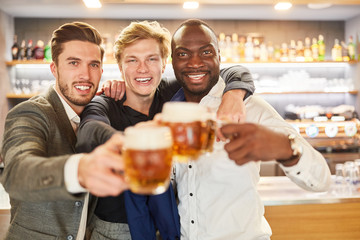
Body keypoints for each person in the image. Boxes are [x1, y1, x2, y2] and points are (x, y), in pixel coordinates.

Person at [76, 20, 255, 239]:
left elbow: (232, 71)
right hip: (117, 230)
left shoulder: (172, 95)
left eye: (151, 59)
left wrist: (234, 93)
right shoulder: (104, 103)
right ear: (120, 66)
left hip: (171, 224)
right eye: (132, 60)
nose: (143, 69)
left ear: (164, 64)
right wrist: (139, 142)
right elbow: (88, 134)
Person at [169, 19, 332, 239]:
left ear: (219, 56)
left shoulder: (249, 107)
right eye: (183, 54)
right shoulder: (168, 111)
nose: (194, 62)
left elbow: (321, 180)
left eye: (206, 52)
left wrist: (286, 149)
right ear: (172, 61)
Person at [0, 22, 129, 240]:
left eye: (94, 65)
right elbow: (17, 173)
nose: (85, 75)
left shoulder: (100, 113)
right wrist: (79, 170)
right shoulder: (30, 113)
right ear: (54, 69)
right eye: (73, 63)